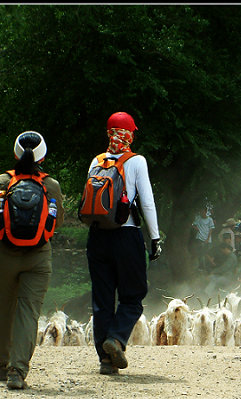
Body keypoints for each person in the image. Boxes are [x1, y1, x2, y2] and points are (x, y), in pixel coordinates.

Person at [0, 131, 64, 390]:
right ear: (43, 156)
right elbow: (56, 222)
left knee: (5, 311)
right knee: (29, 313)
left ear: (15, 154)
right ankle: (18, 371)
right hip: (38, 258)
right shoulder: (51, 185)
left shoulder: (2, 181)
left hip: (4, 254)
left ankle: (2, 365)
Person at [85, 111, 161, 375]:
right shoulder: (136, 161)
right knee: (133, 296)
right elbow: (147, 202)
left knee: (102, 299)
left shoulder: (96, 161)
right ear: (129, 135)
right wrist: (155, 238)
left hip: (97, 237)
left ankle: (106, 361)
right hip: (126, 235)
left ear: (109, 133)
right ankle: (116, 339)